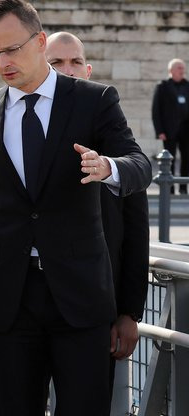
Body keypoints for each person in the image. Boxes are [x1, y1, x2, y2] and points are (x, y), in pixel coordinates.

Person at [0, 1, 152, 415]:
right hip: (10, 301)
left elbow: (142, 166)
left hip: (81, 297)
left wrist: (108, 167)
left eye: (12, 49)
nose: (3, 62)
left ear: (40, 41)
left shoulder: (94, 100)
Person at [46, 30, 149, 397]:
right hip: (28, 311)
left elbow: (135, 229)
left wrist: (129, 313)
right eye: (55, 63)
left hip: (97, 310)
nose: (68, 70)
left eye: (75, 62)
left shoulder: (114, 135)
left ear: (88, 69)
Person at [152, 58, 189, 194]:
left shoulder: (187, 85)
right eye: (179, 67)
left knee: (186, 159)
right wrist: (159, 131)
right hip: (169, 130)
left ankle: (184, 188)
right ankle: (170, 189)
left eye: (183, 67)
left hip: (186, 129)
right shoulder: (162, 86)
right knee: (169, 160)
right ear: (171, 70)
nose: (182, 70)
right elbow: (156, 110)